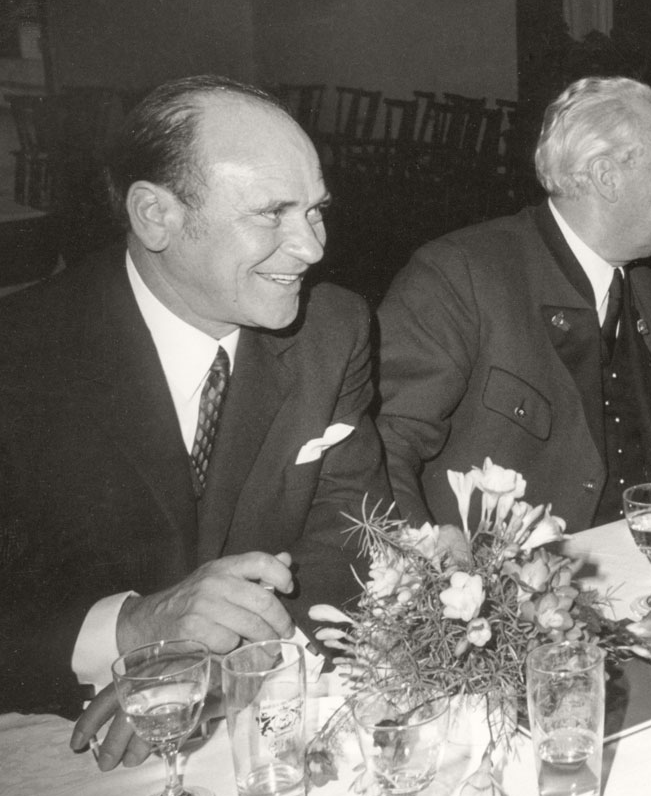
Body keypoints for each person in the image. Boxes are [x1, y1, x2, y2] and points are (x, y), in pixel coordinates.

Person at [0, 76, 391, 747]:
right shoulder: (23, 355)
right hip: (55, 727)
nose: (314, 247)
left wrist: (226, 661)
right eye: (271, 213)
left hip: (258, 701)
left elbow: (354, 535)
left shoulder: (334, 329)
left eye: (316, 209)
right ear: (156, 215)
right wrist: (137, 632)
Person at [377, 76, 651, 534]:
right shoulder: (461, 276)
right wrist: (428, 563)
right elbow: (385, 446)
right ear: (607, 177)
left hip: (648, 557)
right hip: (513, 584)